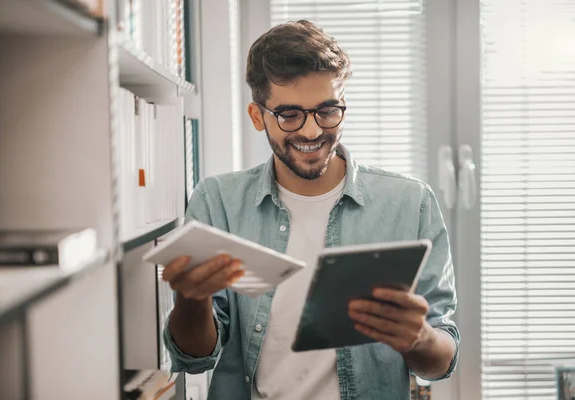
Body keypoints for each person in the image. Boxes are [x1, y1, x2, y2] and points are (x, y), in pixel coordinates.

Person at [161, 20, 459, 400]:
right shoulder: (218, 202)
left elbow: (441, 361)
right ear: (257, 117)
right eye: (289, 115)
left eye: (327, 111)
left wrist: (419, 339)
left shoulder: (411, 202)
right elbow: (194, 358)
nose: (312, 132)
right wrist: (191, 300)